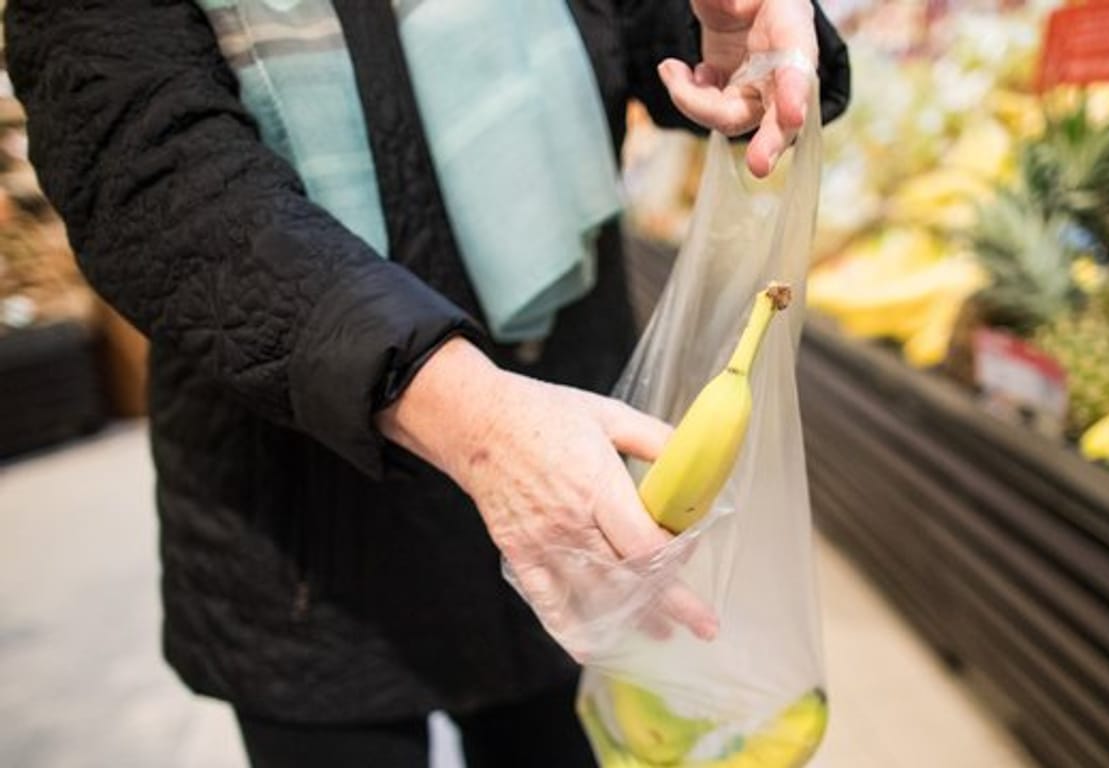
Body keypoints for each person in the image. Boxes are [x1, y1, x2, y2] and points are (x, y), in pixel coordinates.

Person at [5, 0, 849, 765]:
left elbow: (649, 25)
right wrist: (472, 420)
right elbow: (146, 165)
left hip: (569, 465)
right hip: (305, 525)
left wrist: (731, 39)